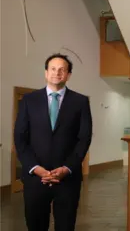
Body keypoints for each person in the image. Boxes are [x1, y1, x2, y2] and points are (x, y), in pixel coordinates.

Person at [14, 53, 93, 231]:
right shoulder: (29, 100)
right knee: (35, 226)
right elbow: (20, 139)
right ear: (46, 72)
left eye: (62, 70)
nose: (57, 73)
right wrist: (35, 168)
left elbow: (84, 138)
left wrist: (67, 168)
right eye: (53, 69)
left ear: (68, 75)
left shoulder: (80, 102)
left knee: (65, 226)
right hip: (35, 178)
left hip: (67, 179)